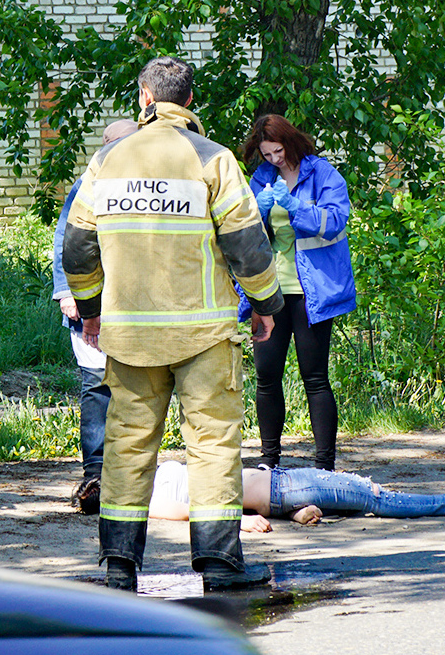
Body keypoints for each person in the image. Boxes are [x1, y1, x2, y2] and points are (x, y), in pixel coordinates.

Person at [63, 56, 283, 593]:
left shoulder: (107, 161)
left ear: (143, 98)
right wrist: (265, 306)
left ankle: (119, 566)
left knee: (128, 444)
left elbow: (76, 247)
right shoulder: (214, 159)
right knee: (211, 444)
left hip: (130, 335)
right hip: (203, 335)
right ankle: (220, 566)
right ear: (189, 101)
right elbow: (248, 247)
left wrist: (90, 312)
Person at [239, 114, 355, 472]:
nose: (274, 160)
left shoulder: (322, 174)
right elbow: (241, 230)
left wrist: (296, 208)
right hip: (268, 292)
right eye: (266, 154)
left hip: (312, 292)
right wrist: (255, 212)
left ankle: (325, 467)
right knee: (267, 377)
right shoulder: (263, 178)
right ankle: (269, 463)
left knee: (315, 378)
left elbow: (335, 221)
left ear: (289, 141)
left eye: (277, 151)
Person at [51, 118, 141, 514]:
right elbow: (66, 240)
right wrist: (66, 292)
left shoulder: (144, 184)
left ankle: (130, 472)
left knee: (135, 388)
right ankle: (95, 473)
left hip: (134, 305)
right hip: (90, 304)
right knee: (95, 386)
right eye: (113, 144)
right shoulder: (87, 185)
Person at [146, 460, 445, 529]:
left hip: (280, 489)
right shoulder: (149, 500)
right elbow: (194, 513)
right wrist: (243, 522)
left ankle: (300, 513)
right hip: (284, 489)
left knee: (357, 492)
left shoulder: (157, 473)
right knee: (372, 496)